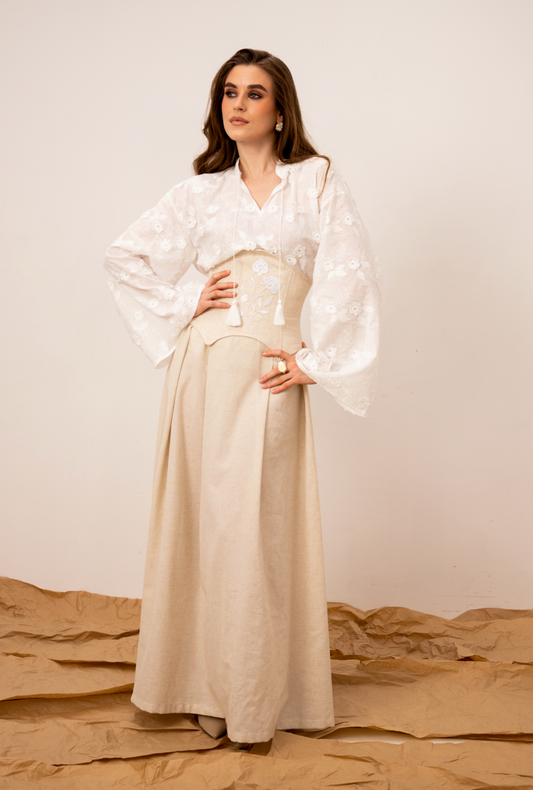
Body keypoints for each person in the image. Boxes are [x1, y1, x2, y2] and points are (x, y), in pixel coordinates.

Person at [103, 47, 381, 749]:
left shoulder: (315, 180)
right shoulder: (200, 193)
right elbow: (123, 257)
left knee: (259, 528)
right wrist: (185, 301)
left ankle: (254, 691)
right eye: (229, 92)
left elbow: (349, 273)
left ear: (280, 110)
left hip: (266, 375)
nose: (238, 104)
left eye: (254, 93)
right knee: (204, 525)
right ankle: (202, 686)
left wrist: (316, 361)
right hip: (202, 371)